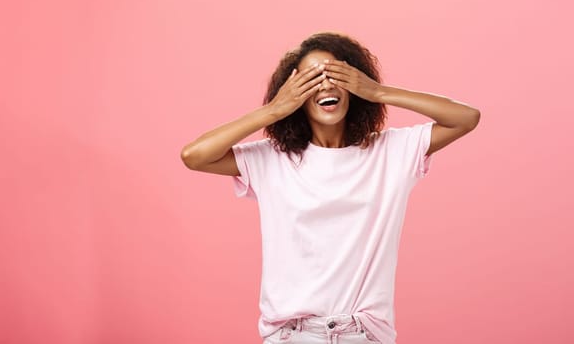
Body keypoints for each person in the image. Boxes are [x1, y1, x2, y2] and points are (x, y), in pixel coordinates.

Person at [179, 32, 480, 344]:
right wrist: (273, 110)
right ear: (293, 93)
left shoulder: (392, 152)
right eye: (311, 79)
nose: (325, 85)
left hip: (364, 334)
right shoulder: (272, 159)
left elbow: (466, 118)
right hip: (291, 336)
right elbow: (194, 155)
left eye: (336, 74)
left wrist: (378, 92)